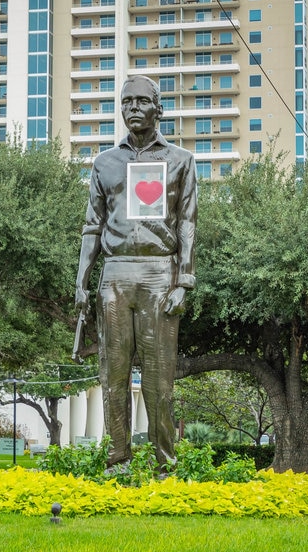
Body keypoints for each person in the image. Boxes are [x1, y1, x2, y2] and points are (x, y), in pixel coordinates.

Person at [75, 75, 197, 468]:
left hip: (160, 272)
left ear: (158, 109)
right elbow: (92, 226)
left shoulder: (180, 160)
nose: (133, 109)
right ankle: (118, 462)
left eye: (142, 101)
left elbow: (188, 222)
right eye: (126, 102)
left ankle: (166, 466)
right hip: (114, 274)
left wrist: (184, 279)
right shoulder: (104, 163)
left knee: (160, 380)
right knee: (112, 376)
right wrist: (82, 280)